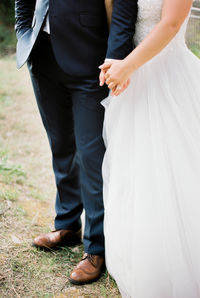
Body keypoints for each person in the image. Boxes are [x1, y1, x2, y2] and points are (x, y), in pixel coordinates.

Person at [15, 0, 138, 285]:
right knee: (60, 147)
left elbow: (123, 5)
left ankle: (96, 247)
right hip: (42, 55)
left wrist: (116, 57)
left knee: (91, 157)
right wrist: (24, 31)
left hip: (89, 57)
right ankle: (67, 224)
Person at [100, 0, 200, 296]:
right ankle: (139, 251)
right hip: (135, 76)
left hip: (167, 78)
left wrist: (127, 65)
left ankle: (175, 260)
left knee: (172, 168)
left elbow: (169, 24)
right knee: (137, 167)